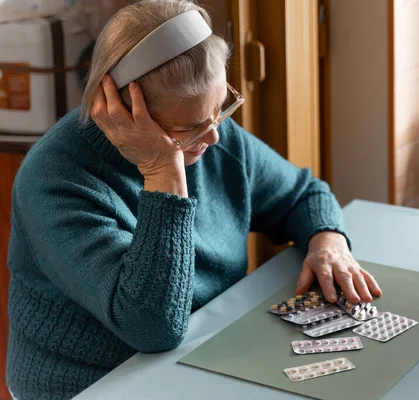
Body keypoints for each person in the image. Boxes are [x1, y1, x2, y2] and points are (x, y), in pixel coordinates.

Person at [5, 1, 382, 398]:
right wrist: (163, 173)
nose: (214, 137)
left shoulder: (208, 133)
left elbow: (303, 194)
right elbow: (152, 326)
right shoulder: (55, 180)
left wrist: (328, 242)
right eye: (187, 128)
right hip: (89, 382)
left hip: (205, 353)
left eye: (219, 109)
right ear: (124, 111)